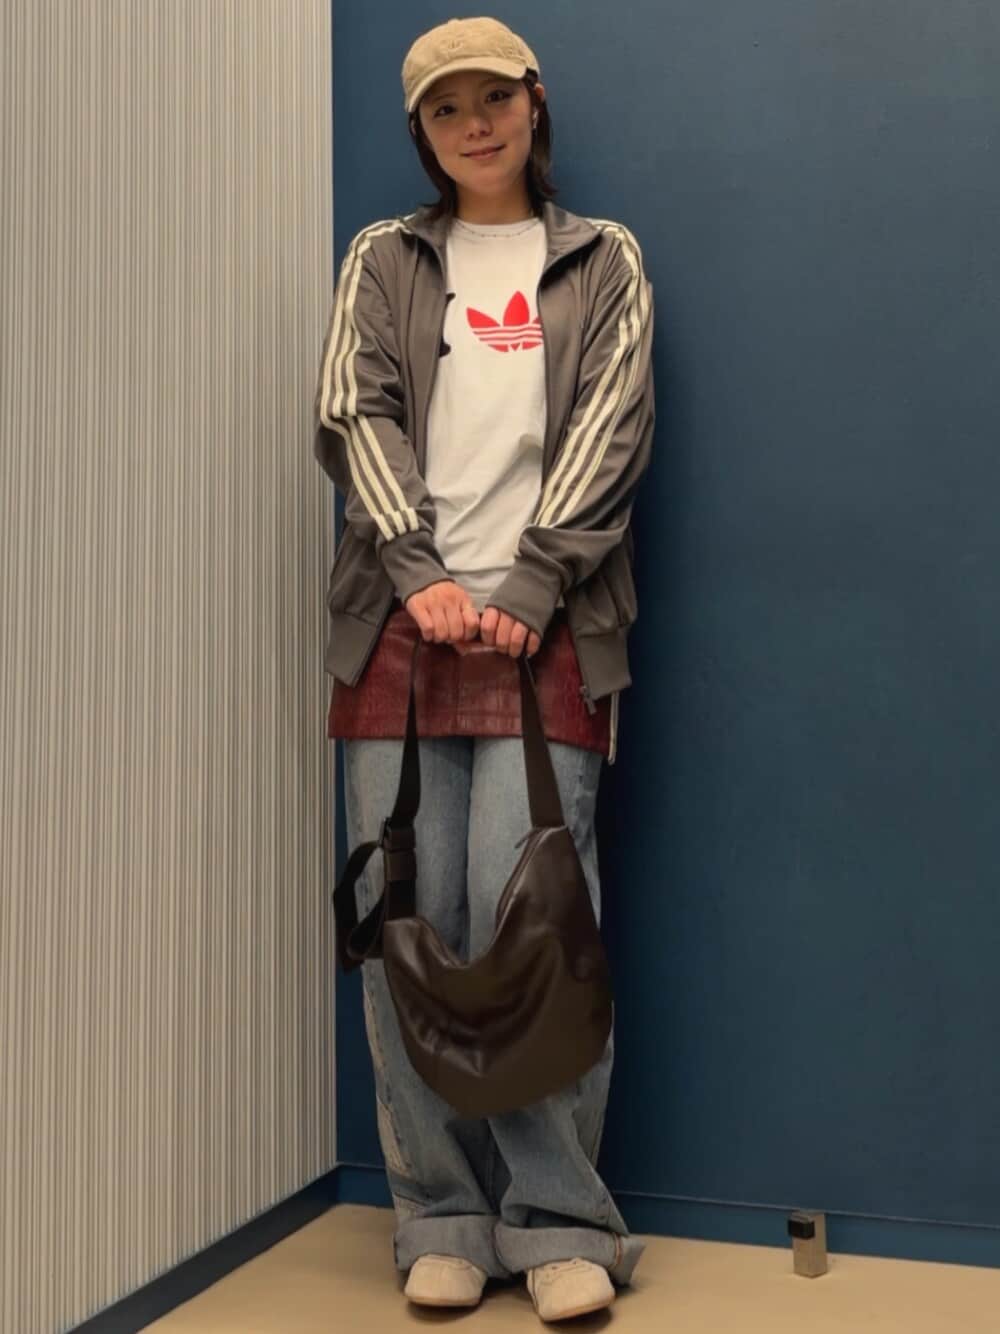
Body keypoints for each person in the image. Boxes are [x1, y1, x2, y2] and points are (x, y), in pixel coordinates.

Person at [313, 15, 655, 1324]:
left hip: (548, 627)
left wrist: (528, 584)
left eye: (494, 99)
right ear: (422, 130)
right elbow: (354, 411)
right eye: (447, 108)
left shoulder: (602, 258)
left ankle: (558, 1219)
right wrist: (422, 572)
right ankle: (440, 1214)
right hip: (399, 625)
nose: (476, 124)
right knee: (410, 924)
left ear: (533, 101)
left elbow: (613, 425)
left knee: (537, 930)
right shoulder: (383, 257)